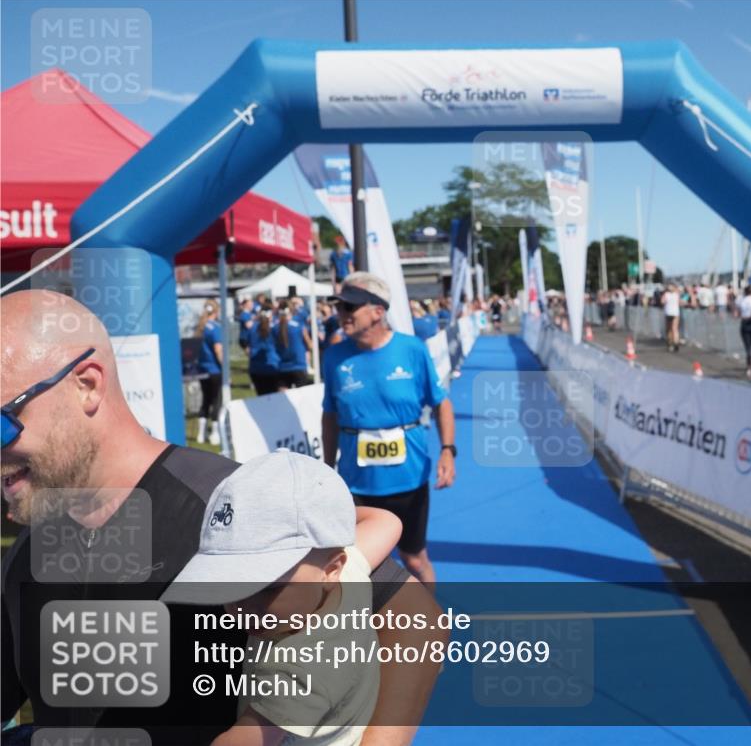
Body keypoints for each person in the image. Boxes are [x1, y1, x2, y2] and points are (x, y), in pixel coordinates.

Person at [1, 290, 447, 746]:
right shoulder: (26, 553)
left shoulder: (231, 506)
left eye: (2, 421)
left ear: (87, 385)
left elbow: (416, 619)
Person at [163, 451, 401, 746]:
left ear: (330, 570)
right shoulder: (344, 572)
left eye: (267, 588)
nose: (243, 607)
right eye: (228, 585)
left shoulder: (302, 670)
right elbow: (387, 521)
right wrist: (329, 521)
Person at [322, 273, 456, 585]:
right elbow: (329, 415)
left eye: (349, 308)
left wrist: (448, 451)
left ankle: (431, 626)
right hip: (356, 482)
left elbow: (441, 403)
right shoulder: (334, 356)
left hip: (408, 478)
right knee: (355, 565)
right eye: (339, 307)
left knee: (414, 560)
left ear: (378, 312)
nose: (341, 314)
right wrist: (328, 467)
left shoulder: (412, 350)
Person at [196, 299, 223, 445]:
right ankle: (214, 434)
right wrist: (224, 365)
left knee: (205, 400)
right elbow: (218, 349)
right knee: (216, 400)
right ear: (216, 311)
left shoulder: (200, 327)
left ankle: (201, 434)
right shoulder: (215, 328)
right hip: (214, 369)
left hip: (202, 369)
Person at [274, 299, 313, 389]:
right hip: (299, 365)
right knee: (302, 398)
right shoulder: (299, 326)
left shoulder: (275, 328)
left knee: (282, 399)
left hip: (282, 366)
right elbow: (309, 345)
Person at [247, 300, 280, 395]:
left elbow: (247, 344)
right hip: (271, 367)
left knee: (261, 398)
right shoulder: (274, 328)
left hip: (255, 369)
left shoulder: (252, 327)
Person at [736, 285, 751, 377]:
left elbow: (737, 313)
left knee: (748, 347)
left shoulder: (742, 301)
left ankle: (749, 367)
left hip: (745, 324)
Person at [662, 284, 681, 352]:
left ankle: (670, 344)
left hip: (668, 312)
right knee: (675, 329)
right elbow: (679, 302)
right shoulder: (677, 294)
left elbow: (662, 301)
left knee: (669, 329)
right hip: (675, 313)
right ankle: (676, 343)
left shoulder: (666, 294)